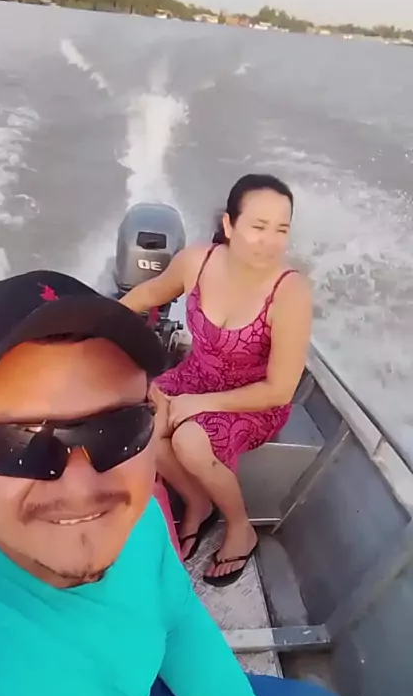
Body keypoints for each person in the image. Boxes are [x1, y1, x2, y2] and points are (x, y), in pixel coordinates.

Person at [0, 270, 352, 696]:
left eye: (118, 428)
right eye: (19, 442)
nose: (83, 488)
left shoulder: (137, 519)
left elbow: (175, 618)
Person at [121, 174, 312, 587]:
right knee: (140, 420)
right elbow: (145, 296)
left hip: (253, 400)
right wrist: (97, 331)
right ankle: (197, 502)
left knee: (189, 440)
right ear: (229, 224)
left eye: (281, 230)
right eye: (258, 227)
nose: (270, 241)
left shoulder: (289, 292)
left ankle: (240, 527)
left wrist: (198, 404)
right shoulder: (197, 262)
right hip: (194, 376)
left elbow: (280, 390)